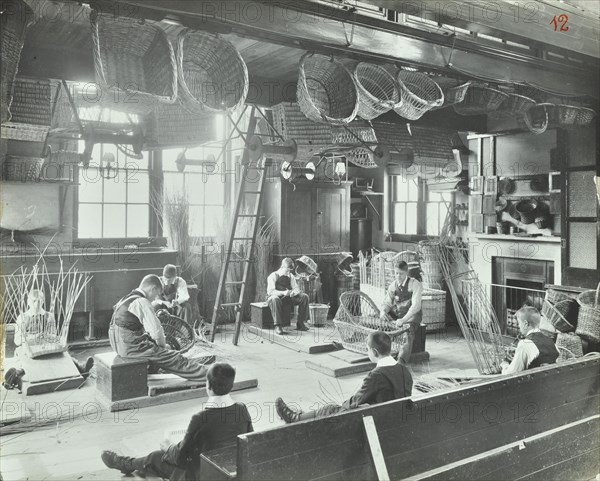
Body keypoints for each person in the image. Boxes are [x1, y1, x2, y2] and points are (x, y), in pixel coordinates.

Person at [101, 363, 253, 480]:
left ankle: (125, 463)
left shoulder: (200, 418)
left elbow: (180, 458)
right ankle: (127, 464)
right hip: (234, 470)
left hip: (204, 475)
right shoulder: (241, 408)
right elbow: (250, 441)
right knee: (168, 456)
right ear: (231, 386)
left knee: (157, 457)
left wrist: (169, 448)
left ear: (208, 386)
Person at [276, 331, 412, 423]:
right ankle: (300, 416)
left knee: (329, 409)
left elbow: (355, 402)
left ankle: (295, 418)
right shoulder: (404, 370)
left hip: (379, 421)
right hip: (396, 418)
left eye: (367, 349)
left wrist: (339, 407)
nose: (367, 352)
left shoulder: (376, 376)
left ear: (374, 352)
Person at [109, 274, 206, 382]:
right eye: (156, 294)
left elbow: (129, 326)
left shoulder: (126, 298)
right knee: (174, 358)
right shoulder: (141, 301)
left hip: (119, 346)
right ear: (153, 288)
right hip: (131, 348)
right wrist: (164, 348)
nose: (154, 298)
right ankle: (212, 376)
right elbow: (156, 333)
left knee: (157, 352)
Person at [15, 289, 94, 376]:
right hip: (29, 348)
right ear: (28, 302)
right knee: (23, 363)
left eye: (39, 301)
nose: (36, 304)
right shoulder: (23, 317)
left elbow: (53, 335)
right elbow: (17, 340)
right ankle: (15, 375)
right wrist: (33, 338)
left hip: (45, 347)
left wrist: (47, 337)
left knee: (62, 354)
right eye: (34, 301)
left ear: (43, 302)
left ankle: (81, 367)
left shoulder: (49, 316)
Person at [379, 261, 423, 364]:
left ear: (407, 272)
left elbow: (416, 306)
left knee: (407, 331)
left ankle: (401, 361)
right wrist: (383, 312)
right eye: (396, 273)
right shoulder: (393, 286)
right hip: (399, 316)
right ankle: (382, 355)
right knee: (380, 320)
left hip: (412, 316)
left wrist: (403, 320)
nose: (398, 276)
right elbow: (387, 303)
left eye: (401, 274)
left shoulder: (415, 284)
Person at [501, 306, 559, 374]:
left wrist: (504, 365)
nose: (519, 327)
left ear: (525, 324)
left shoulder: (524, 344)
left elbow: (510, 374)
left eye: (519, 323)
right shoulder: (552, 343)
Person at [266, 258, 310, 335]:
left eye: (290, 270)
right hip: (275, 297)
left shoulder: (291, 276)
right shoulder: (273, 276)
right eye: (287, 270)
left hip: (287, 297)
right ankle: (278, 326)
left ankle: (300, 323)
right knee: (275, 299)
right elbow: (270, 292)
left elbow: (296, 288)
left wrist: (294, 293)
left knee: (304, 297)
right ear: (282, 267)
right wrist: (283, 293)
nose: (288, 272)